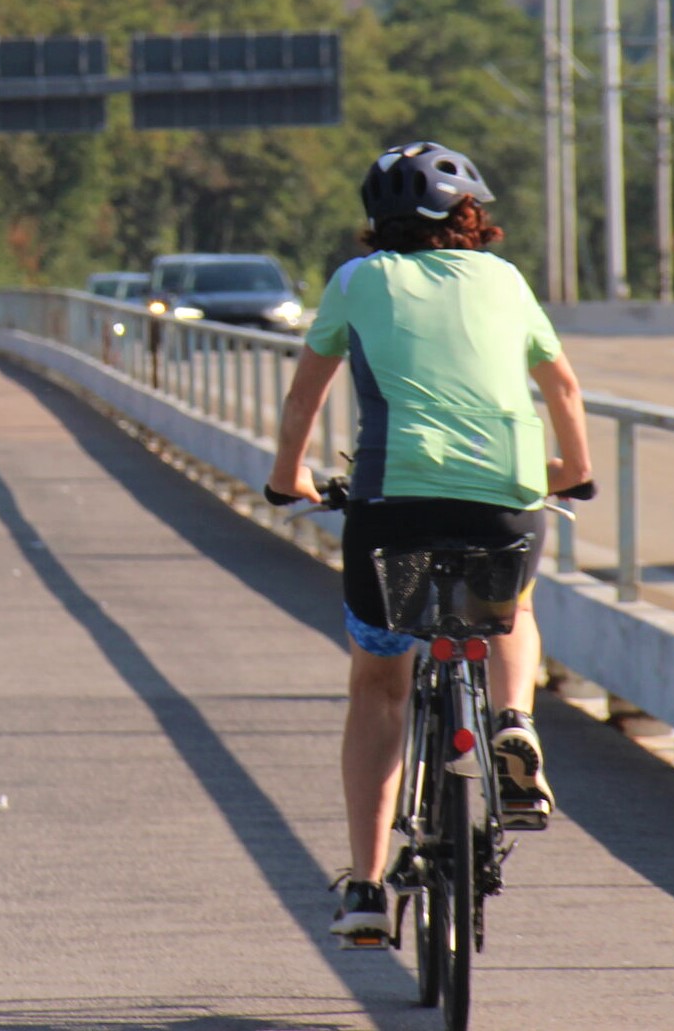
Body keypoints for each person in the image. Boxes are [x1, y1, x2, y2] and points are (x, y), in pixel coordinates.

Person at [263, 141, 593, 944]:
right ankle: (514, 721)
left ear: (377, 224)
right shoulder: (507, 280)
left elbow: (308, 389)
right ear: (470, 215)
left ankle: (369, 887)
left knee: (379, 683)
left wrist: (287, 477)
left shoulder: (357, 281)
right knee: (510, 607)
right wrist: (572, 470)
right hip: (500, 501)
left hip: (392, 505)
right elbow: (563, 385)